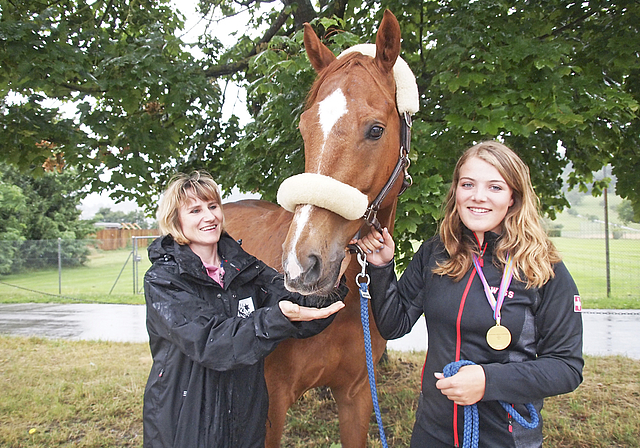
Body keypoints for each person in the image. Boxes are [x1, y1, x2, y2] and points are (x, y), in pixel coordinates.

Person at [352, 141, 583, 447]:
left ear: (513, 197)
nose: (478, 196)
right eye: (468, 184)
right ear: (456, 192)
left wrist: (488, 382)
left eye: (495, 187)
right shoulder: (434, 253)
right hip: (432, 433)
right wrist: (382, 268)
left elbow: (566, 368)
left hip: (504, 438)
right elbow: (394, 325)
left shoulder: (544, 270)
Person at [143, 171, 346, 448]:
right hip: (185, 420)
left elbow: (295, 305)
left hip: (244, 417)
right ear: (175, 220)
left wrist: (333, 274)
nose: (209, 216)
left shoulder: (243, 267)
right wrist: (275, 318)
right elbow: (211, 342)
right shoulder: (164, 280)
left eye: (213, 206)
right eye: (195, 210)